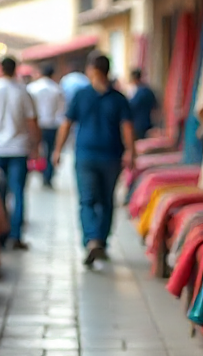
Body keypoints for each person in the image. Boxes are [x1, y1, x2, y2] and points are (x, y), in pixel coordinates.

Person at [52, 52, 135, 267]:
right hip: (109, 156)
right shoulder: (118, 98)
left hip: (88, 155)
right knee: (106, 201)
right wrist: (131, 152)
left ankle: (92, 240)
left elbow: (66, 123)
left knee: (88, 200)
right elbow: (127, 128)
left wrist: (57, 150)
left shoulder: (82, 95)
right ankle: (100, 241)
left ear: (92, 70)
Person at [0, 56, 39, 250]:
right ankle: (16, 235)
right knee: (18, 192)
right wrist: (36, 146)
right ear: (15, 69)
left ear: (0, 69)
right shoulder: (23, 92)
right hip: (19, 149)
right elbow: (32, 122)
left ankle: (0, 234)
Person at [27, 64, 65, 188]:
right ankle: (47, 176)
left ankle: (35, 171)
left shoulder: (32, 88)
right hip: (51, 125)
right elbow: (61, 111)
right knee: (49, 152)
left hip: (36, 123)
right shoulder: (57, 89)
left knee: (34, 149)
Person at [125, 67, 159, 140]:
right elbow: (156, 107)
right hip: (148, 123)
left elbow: (130, 107)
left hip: (138, 126)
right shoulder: (148, 91)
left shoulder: (137, 93)